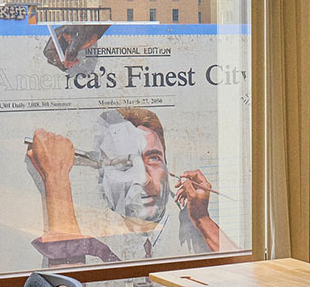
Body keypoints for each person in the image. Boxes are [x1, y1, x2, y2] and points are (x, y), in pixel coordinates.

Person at [26, 108, 234, 265]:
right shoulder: (97, 236)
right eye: (124, 165)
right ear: (102, 181)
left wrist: (202, 219)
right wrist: (56, 178)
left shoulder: (192, 225)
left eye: (153, 158)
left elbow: (247, 278)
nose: (144, 180)